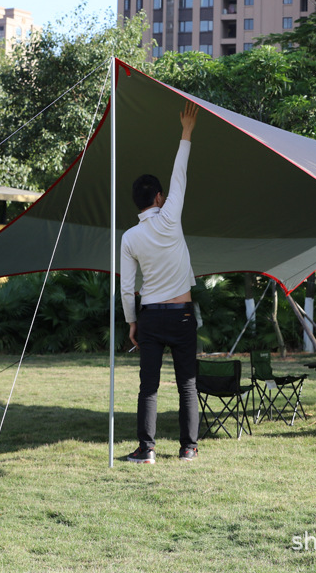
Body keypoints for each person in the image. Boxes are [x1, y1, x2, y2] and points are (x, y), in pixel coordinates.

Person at [120, 101, 200, 463]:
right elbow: (179, 172)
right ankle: (188, 449)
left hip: (150, 317)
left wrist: (131, 323)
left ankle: (147, 450)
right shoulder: (170, 216)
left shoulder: (129, 238)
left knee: (148, 387)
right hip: (182, 315)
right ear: (157, 198)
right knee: (187, 383)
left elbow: (126, 286)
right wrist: (186, 131)